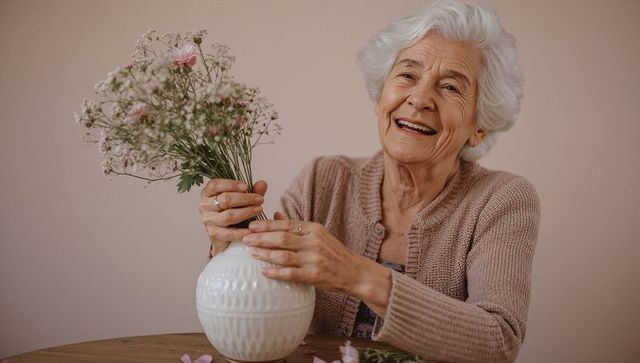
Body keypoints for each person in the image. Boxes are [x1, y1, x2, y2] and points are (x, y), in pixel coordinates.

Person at [198, 1, 540, 361]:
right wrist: (229, 243)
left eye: (451, 87)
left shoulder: (502, 200)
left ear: (479, 126)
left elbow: (498, 340)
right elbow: (261, 305)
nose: (420, 98)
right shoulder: (322, 180)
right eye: (407, 75)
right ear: (380, 97)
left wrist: (356, 274)